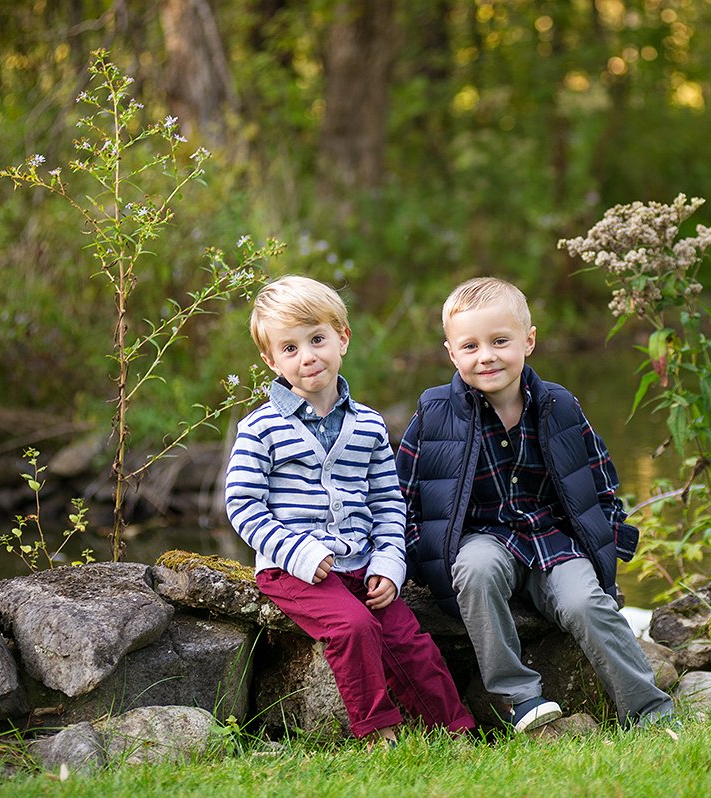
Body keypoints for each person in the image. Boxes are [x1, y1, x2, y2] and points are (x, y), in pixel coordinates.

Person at [395, 276, 677, 734]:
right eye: (470, 346)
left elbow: (599, 480)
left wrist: (609, 538)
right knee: (477, 570)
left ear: (528, 341)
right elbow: (402, 495)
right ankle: (520, 697)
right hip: (481, 539)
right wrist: (417, 557)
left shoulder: (560, 406)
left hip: (552, 539)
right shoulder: (435, 413)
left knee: (587, 601)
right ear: (451, 353)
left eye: (499, 341)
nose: (485, 356)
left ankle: (647, 709)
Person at [225, 275, 475, 747]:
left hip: (361, 562)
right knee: (354, 627)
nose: (308, 357)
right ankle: (377, 728)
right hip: (292, 570)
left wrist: (387, 562)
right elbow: (242, 505)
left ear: (342, 337)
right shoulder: (260, 428)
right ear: (271, 360)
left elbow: (386, 501)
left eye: (317, 339)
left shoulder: (368, 425)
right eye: (291, 348)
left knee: (409, 640)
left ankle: (453, 727)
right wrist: (297, 552)